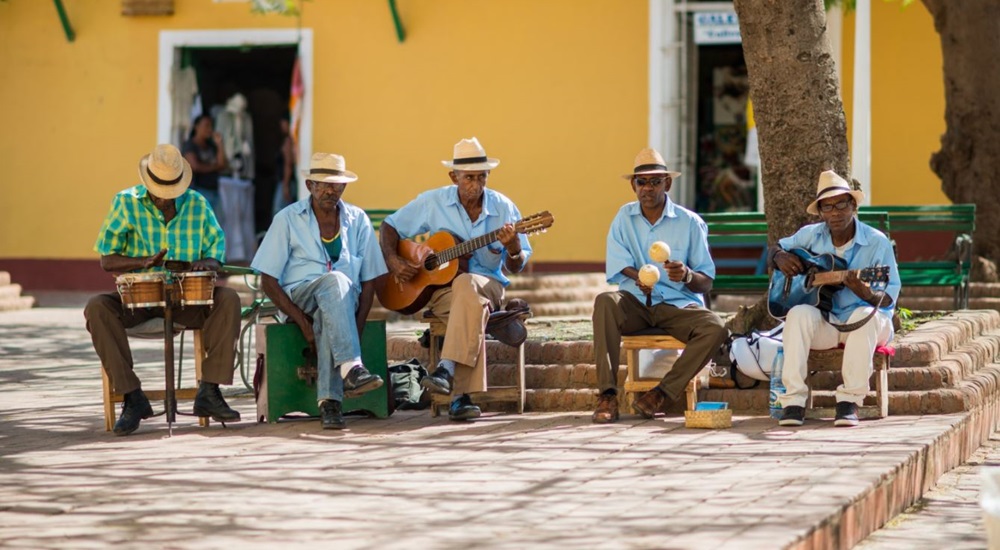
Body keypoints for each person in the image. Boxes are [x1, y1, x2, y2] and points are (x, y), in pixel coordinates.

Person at [85, 144, 242, 436]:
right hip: (138, 300)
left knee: (229, 299)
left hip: (187, 300)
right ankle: (133, 397)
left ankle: (209, 391)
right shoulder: (125, 202)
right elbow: (107, 259)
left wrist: (204, 263)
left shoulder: (197, 204)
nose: (165, 199)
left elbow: (216, 253)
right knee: (97, 307)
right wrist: (142, 262)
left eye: (172, 192)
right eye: (160, 191)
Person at [380, 137, 532, 421]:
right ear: (454, 177)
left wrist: (513, 248)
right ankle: (460, 400)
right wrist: (395, 260)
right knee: (467, 301)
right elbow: (390, 225)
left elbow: (517, 265)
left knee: (467, 285)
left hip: (490, 287)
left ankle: (447, 370)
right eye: (469, 178)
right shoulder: (433, 201)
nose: (476, 184)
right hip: (440, 292)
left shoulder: (504, 208)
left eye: (482, 177)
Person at [591, 148, 728, 424]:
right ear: (634, 185)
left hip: (677, 306)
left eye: (655, 181)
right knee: (605, 302)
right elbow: (619, 264)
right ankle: (607, 394)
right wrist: (638, 276)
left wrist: (687, 275)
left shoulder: (690, 223)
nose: (648, 188)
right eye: (642, 182)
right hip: (636, 305)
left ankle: (661, 394)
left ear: (668, 183)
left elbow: (706, 280)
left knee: (715, 327)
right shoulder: (623, 218)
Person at [251, 152, 387, 430]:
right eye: (323, 184)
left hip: (344, 302)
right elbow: (268, 279)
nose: (330, 190)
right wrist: (302, 323)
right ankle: (352, 369)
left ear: (344, 187)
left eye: (336, 185)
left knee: (332, 307)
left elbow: (370, 280)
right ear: (310, 184)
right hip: (301, 297)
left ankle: (330, 404)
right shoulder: (288, 219)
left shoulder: (358, 220)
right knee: (334, 281)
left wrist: (353, 329)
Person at [771, 170, 900, 427]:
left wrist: (862, 290)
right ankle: (793, 402)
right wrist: (778, 257)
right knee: (797, 314)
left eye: (841, 204)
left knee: (862, 316)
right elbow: (776, 248)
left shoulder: (877, 243)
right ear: (820, 212)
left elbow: (887, 300)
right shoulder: (810, 235)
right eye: (827, 207)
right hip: (828, 322)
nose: (835, 212)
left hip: (869, 324)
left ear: (853, 205)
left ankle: (848, 401)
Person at [182, 114, 227, 220]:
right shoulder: (190, 145)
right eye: (206, 126)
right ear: (196, 127)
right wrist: (215, 167)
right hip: (198, 191)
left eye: (211, 126)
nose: (209, 129)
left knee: (215, 226)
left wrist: (220, 144)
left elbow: (223, 164)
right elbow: (195, 166)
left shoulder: (211, 145)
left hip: (214, 191)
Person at [272, 114, 298, 216]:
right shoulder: (291, 140)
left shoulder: (288, 141)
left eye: (283, 123)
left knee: (278, 211)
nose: (281, 126)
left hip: (286, 182)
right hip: (287, 182)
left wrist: (285, 185)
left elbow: (288, 164)